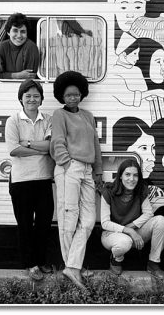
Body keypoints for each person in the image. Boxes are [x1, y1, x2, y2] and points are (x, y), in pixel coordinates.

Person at [50, 71, 103, 290]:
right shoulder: (59, 114)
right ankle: (73, 266)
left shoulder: (88, 115)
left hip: (88, 170)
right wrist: (66, 163)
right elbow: (57, 141)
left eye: (77, 94)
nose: (73, 98)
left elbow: (96, 145)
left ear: (82, 94)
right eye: (69, 95)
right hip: (69, 168)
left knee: (89, 219)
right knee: (68, 218)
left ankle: (73, 265)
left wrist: (97, 172)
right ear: (62, 96)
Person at [5, 79, 55, 281]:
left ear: (41, 99)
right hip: (20, 182)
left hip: (43, 180)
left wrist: (26, 143)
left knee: (43, 224)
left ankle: (41, 261)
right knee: (24, 224)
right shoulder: (13, 121)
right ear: (21, 99)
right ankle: (30, 264)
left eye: (36, 96)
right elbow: (13, 150)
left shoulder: (49, 119)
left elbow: (50, 147)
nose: (32, 99)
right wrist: (39, 147)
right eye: (28, 96)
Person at [100, 159, 164, 280]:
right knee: (124, 242)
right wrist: (127, 230)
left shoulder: (141, 190)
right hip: (111, 234)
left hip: (134, 231)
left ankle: (153, 263)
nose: (131, 179)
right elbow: (105, 223)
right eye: (127, 174)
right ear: (120, 176)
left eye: (135, 175)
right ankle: (116, 260)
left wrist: (131, 226)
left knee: (161, 221)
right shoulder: (108, 192)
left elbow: (148, 214)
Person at [0, 13, 39, 79]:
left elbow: (29, 77)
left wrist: (8, 75)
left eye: (23, 31)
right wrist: (17, 75)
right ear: (8, 32)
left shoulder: (31, 47)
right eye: (15, 31)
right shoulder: (2, 47)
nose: (19, 35)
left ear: (27, 33)